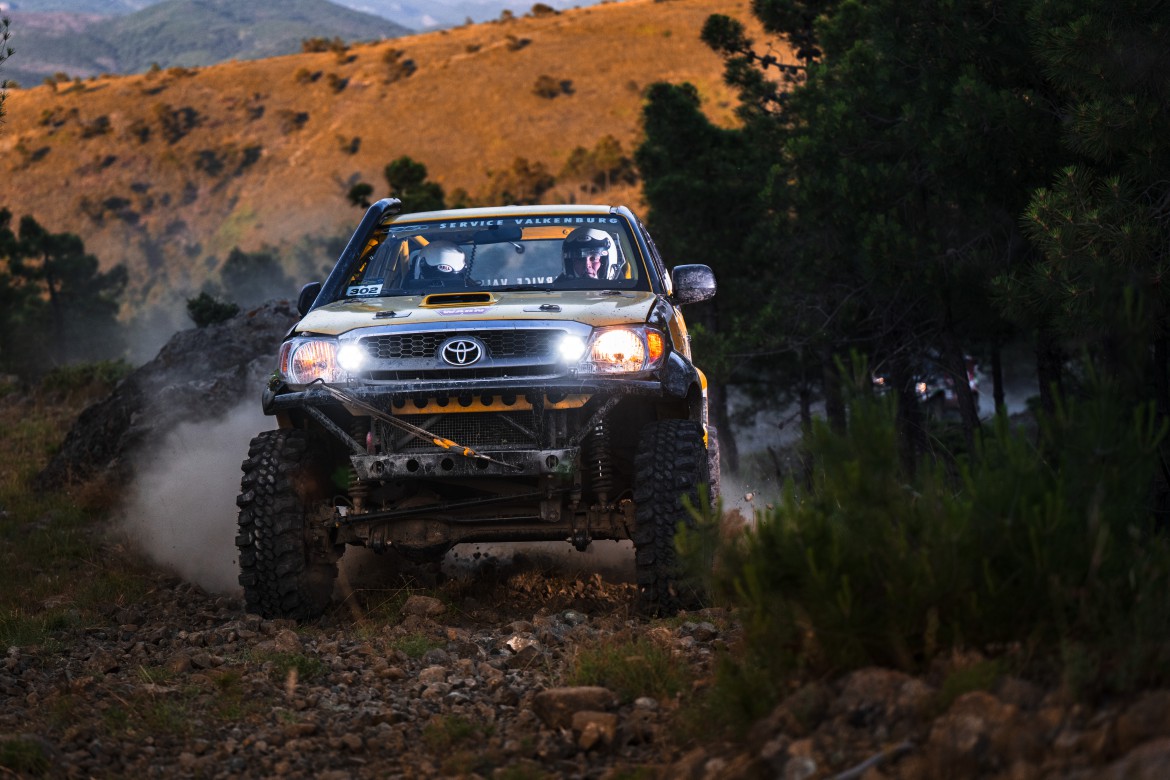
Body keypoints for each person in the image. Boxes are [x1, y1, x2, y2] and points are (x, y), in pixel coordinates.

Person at [557, 227, 621, 283]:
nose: (587, 265)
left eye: (593, 258)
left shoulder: (623, 288)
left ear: (605, 261)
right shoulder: (557, 288)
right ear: (570, 264)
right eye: (580, 259)